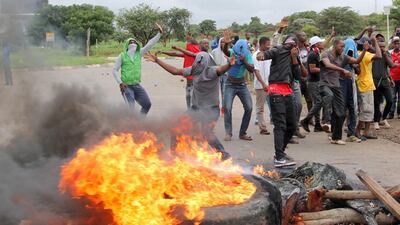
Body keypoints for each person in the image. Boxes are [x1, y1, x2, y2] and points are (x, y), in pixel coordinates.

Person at [146, 51, 235, 160]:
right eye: (198, 62)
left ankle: (223, 154)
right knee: (176, 127)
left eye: (201, 62)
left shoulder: (211, 71)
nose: (199, 64)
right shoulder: (194, 70)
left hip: (211, 109)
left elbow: (221, 69)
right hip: (196, 108)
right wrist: (158, 60)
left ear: (207, 62)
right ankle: (174, 154)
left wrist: (229, 65)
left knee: (206, 132)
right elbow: (175, 71)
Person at [257, 35, 302, 168]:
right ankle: (279, 157)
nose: (292, 46)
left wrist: (294, 57)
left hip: (288, 92)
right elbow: (264, 54)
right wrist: (261, 55)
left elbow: (298, 76)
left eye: (294, 44)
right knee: (280, 125)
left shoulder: (294, 55)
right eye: (290, 43)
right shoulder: (278, 50)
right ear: (286, 43)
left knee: (292, 126)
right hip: (276, 90)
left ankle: (280, 153)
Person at [319, 39, 368, 145]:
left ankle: (336, 138)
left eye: (344, 46)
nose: (343, 48)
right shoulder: (326, 54)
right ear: (335, 45)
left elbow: (357, 61)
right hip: (325, 84)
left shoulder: (343, 57)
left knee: (341, 113)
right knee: (329, 97)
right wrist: (342, 70)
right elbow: (327, 65)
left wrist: (364, 50)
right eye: (341, 46)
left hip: (336, 85)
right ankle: (325, 122)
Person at [112, 23, 163, 116]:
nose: (133, 43)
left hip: (137, 85)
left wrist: (159, 34)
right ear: (127, 45)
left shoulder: (139, 54)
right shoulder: (122, 56)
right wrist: (120, 82)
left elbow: (149, 44)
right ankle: (129, 127)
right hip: (126, 86)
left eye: (134, 42)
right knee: (130, 109)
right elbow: (114, 70)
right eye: (130, 42)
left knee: (147, 104)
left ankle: (139, 122)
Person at [223, 39, 255, 142]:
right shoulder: (232, 51)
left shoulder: (248, 55)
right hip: (229, 84)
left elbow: (251, 69)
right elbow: (226, 51)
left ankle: (242, 133)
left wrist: (244, 61)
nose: (239, 50)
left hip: (242, 85)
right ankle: (228, 133)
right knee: (227, 108)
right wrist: (226, 43)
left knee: (249, 108)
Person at [159, 32, 200, 110]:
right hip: (189, 85)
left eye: (188, 43)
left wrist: (180, 47)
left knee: (193, 105)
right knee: (189, 101)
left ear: (191, 45)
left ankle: (195, 118)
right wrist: (162, 52)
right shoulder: (188, 53)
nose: (186, 44)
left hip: (196, 85)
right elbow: (174, 53)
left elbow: (181, 51)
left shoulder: (198, 54)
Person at [355, 36, 382, 139]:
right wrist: (375, 41)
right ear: (364, 45)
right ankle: (358, 131)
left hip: (366, 84)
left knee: (369, 110)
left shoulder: (357, 53)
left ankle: (366, 132)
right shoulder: (365, 55)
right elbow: (379, 55)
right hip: (365, 85)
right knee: (365, 110)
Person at [300, 36, 326, 133]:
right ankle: (305, 120)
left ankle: (317, 125)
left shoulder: (316, 53)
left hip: (316, 81)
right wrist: (325, 69)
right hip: (313, 82)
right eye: (321, 42)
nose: (323, 44)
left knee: (318, 103)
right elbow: (312, 69)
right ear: (316, 44)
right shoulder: (312, 54)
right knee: (319, 102)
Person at [372, 34, 398, 129]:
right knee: (377, 103)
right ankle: (376, 121)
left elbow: (390, 65)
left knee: (390, 101)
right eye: (380, 46)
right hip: (375, 81)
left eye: (383, 46)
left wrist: (385, 53)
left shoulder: (386, 54)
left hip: (384, 80)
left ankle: (384, 118)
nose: (382, 48)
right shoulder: (372, 53)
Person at [341, 38, 362, 142]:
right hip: (341, 82)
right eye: (348, 48)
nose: (350, 51)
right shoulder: (340, 56)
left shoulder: (355, 57)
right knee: (341, 107)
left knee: (353, 107)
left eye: (351, 48)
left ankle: (351, 133)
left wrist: (353, 65)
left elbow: (359, 71)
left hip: (352, 82)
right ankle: (335, 133)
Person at [253, 37, 272, 135]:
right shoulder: (256, 55)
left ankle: (275, 122)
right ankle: (262, 128)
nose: (269, 46)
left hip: (270, 84)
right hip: (261, 86)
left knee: (274, 104)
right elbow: (256, 71)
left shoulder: (268, 54)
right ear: (262, 44)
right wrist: (263, 84)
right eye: (267, 44)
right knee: (260, 107)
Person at [211, 30, 230, 116]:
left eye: (224, 42)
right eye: (221, 42)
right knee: (216, 93)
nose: (222, 44)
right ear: (219, 43)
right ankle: (216, 108)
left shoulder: (228, 51)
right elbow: (211, 63)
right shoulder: (214, 52)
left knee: (224, 92)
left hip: (225, 75)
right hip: (216, 74)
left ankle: (223, 109)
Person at [389, 36, 400, 119]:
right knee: (393, 97)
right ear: (393, 44)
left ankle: (399, 113)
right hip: (392, 78)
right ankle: (391, 113)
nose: (397, 45)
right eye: (395, 43)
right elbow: (388, 66)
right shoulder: (389, 53)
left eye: (398, 43)